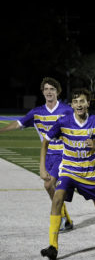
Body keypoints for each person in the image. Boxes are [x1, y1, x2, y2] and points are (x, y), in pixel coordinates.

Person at [39, 88, 95, 260]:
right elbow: (45, 140)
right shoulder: (63, 121)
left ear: (88, 103)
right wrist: (42, 167)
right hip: (69, 169)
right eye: (76, 102)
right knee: (57, 199)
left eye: (82, 101)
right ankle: (53, 246)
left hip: (90, 173)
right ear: (72, 105)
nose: (79, 105)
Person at [0, 77, 74, 232]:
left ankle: (59, 217)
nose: (49, 92)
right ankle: (66, 218)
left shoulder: (67, 110)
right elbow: (18, 123)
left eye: (52, 89)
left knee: (48, 184)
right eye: (46, 89)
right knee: (52, 188)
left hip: (64, 154)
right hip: (47, 156)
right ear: (42, 92)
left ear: (58, 92)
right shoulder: (36, 112)